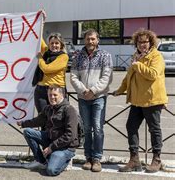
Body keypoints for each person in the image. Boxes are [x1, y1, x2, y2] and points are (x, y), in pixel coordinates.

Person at [114, 29, 168, 173]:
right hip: (137, 100)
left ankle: (156, 159)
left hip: (152, 100)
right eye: (139, 42)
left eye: (145, 41)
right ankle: (134, 160)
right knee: (131, 126)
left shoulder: (156, 56)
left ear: (151, 42)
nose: (142, 44)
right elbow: (129, 76)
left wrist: (137, 65)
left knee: (154, 129)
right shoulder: (136, 56)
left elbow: (153, 74)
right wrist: (120, 90)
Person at [69, 29, 113, 172]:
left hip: (98, 97)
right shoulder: (78, 56)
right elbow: (73, 76)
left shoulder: (105, 55)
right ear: (84, 40)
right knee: (86, 129)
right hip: (83, 98)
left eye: (93, 39)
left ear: (98, 40)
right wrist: (83, 91)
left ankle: (97, 159)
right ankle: (88, 157)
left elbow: (107, 77)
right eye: (88, 39)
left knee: (98, 128)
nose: (90, 41)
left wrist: (93, 91)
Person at [17, 86, 78, 176]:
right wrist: (23, 123)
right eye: (50, 95)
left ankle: (66, 160)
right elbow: (38, 121)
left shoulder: (69, 110)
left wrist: (51, 148)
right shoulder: (48, 108)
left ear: (62, 95)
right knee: (28, 132)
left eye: (55, 95)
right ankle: (41, 161)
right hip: (51, 139)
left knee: (51, 171)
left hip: (66, 146)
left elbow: (70, 135)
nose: (52, 97)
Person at [33, 33, 69, 114]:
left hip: (57, 89)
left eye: (57, 43)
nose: (54, 45)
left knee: (57, 118)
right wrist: (40, 22)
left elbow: (47, 69)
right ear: (49, 45)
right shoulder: (46, 52)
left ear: (61, 45)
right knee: (43, 117)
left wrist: (40, 59)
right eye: (52, 43)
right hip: (41, 90)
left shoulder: (63, 57)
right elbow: (38, 37)